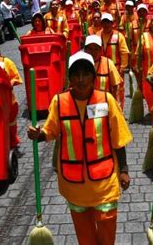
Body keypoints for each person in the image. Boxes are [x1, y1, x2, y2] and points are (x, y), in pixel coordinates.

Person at [27, 51, 132, 245]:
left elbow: (118, 138)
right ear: (69, 78)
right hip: (73, 182)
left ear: (94, 76)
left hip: (104, 181)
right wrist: (38, 134)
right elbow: (49, 131)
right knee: (85, 236)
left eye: (86, 74)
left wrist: (124, 170)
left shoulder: (107, 100)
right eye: (76, 75)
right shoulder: (59, 102)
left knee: (107, 231)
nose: (81, 79)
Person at [96, 13, 129, 108]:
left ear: (112, 24)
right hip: (101, 68)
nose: (106, 25)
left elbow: (124, 52)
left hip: (116, 68)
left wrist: (123, 68)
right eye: (104, 22)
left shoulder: (119, 36)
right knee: (102, 89)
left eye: (108, 22)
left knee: (118, 90)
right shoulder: (97, 35)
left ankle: (119, 110)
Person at [84, 35, 122, 101]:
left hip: (103, 104)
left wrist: (117, 103)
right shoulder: (80, 64)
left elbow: (116, 86)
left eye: (96, 49)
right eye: (90, 49)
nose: (93, 52)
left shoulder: (108, 63)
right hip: (85, 103)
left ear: (100, 50)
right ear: (85, 50)